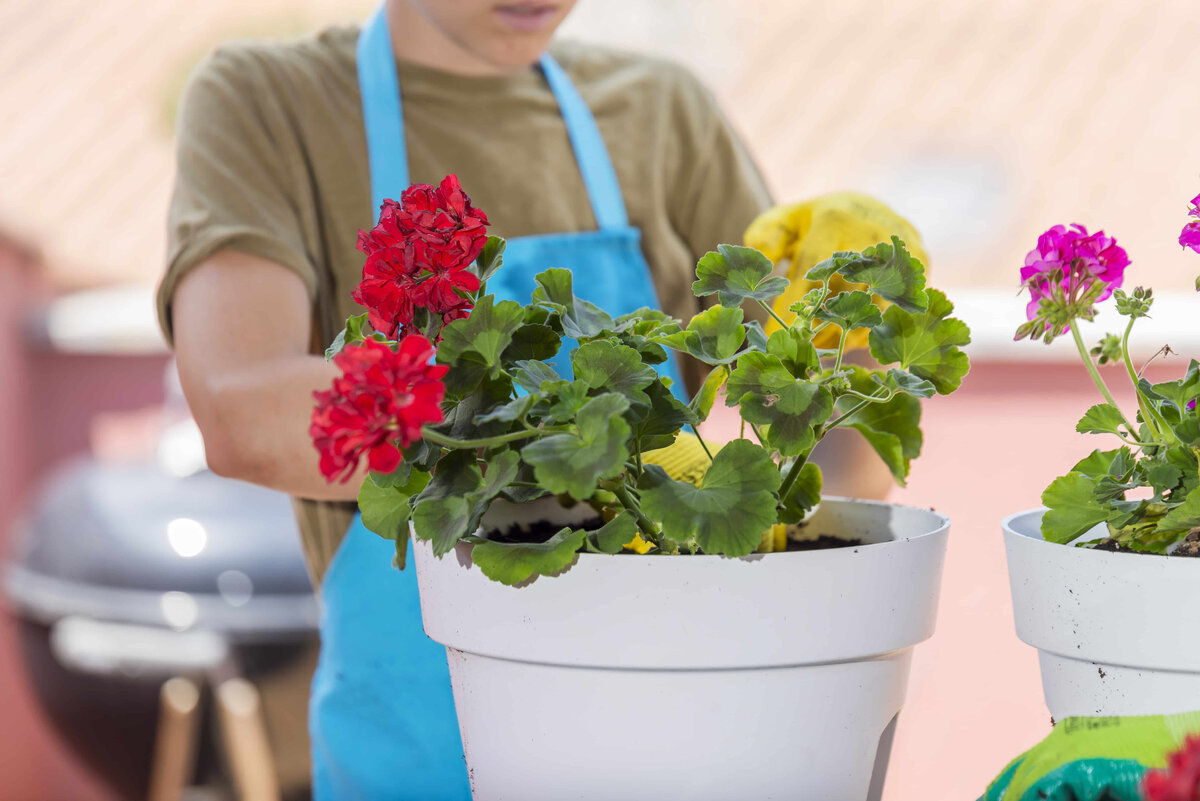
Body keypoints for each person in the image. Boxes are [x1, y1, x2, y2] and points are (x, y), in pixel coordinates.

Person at [159, 1, 885, 797]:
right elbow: (242, 412)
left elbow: (838, 425)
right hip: (421, 767)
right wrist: (557, 448)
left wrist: (856, 354)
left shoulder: (663, 111)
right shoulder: (271, 102)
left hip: (685, 748)